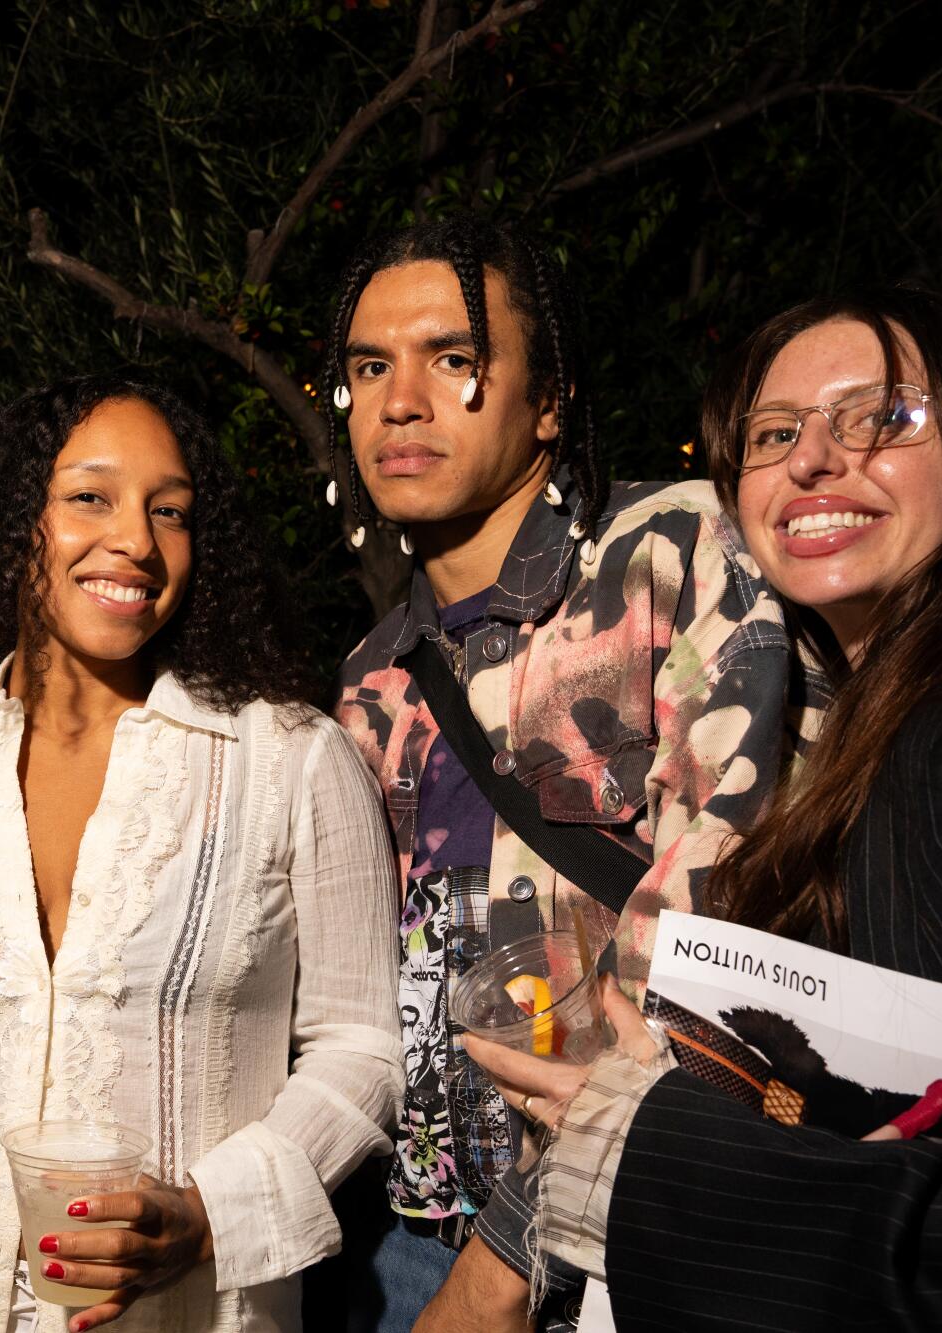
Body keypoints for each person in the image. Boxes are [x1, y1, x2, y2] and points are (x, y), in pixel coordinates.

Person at [316, 215, 806, 1332]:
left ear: (546, 404)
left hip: (618, 1232)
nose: (398, 400)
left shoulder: (666, 554)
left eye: (453, 360)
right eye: (366, 367)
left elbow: (725, 916)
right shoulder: (369, 678)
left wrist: (498, 1270)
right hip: (401, 1232)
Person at [472, 286, 942, 1332]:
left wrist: (646, 1143)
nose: (812, 459)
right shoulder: (878, 719)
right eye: (772, 432)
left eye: (880, 417)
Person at [0, 370, 403, 1333]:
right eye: (90, 497)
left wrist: (210, 1210)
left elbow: (366, 1048)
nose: (137, 541)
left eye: (170, 512)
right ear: (19, 520)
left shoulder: (289, 759)